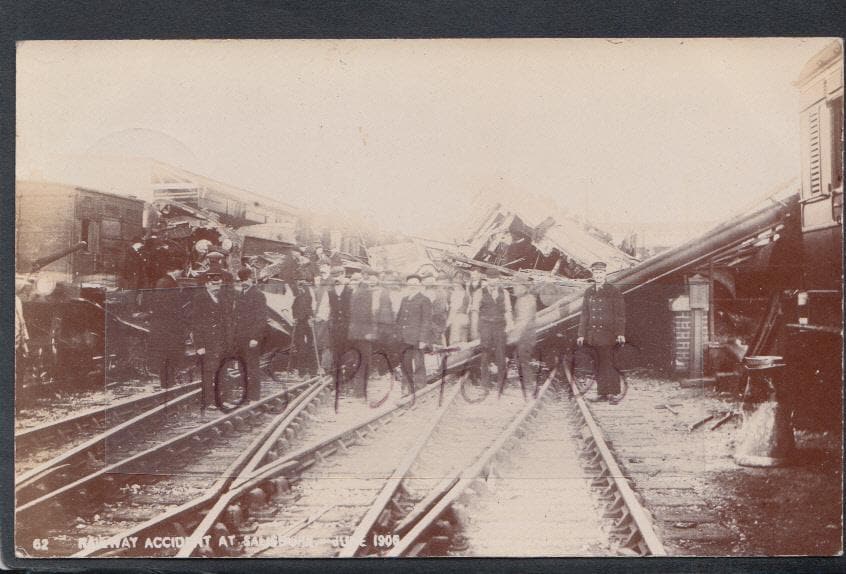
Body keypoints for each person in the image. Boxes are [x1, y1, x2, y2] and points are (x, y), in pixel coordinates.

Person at [577, 261, 626, 402]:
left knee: (609, 362)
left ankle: (613, 392)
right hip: (593, 335)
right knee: (598, 363)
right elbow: (585, 314)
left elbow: (620, 315)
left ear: (605, 274)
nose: (598, 275)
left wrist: (620, 333)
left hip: (609, 334)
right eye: (596, 273)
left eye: (601, 273)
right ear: (593, 274)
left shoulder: (613, 291)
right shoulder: (589, 291)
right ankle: (602, 392)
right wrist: (581, 334)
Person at [192, 271, 236, 410]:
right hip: (208, 341)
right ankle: (209, 401)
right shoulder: (200, 298)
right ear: (206, 284)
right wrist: (199, 345)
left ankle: (223, 400)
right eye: (213, 284)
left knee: (223, 370)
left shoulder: (222, 298)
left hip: (221, 341)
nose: (217, 286)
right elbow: (196, 323)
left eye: (219, 284)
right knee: (209, 372)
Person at [147, 255, 189, 389]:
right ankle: (168, 384)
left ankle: (167, 383)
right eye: (180, 271)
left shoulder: (162, 282)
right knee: (169, 355)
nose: (181, 273)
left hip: (163, 326)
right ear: (175, 270)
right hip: (168, 327)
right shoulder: (168, 283)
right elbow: (171, 306)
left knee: (166, 356)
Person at [234, 268, 268, 401]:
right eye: (241, 280)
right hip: (240, 337)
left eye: (245, 280)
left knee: (252, 367)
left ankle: (254, 396)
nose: (243, 282)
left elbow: (261, 319)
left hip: (251, 338)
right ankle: (245, 395)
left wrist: (255, 337)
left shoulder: (258, 295)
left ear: (251, 279)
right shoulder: (240, 294)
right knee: (243, 367)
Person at [476, 270, 513, 388]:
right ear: (487, 279)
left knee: (500, 353)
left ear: (499, 279)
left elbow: (508, 310)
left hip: (499, 326)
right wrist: (477, 329)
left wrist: (510, 324)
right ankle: (485, 382)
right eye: (491, 278)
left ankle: (502, 382)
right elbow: (475, 311)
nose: (493, 280)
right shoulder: (479, 292)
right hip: (485, 325)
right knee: (485, 352)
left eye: (495, 278)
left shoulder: (505, 293)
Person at [396, 274, 432, 394]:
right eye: (410, 284)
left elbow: (426, 321)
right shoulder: (405, 299)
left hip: (417, 338)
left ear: (420, 285)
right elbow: (400, 318)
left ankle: (420, 386)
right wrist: (398, 334)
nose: (412, 286)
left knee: (418, 363)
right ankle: (407, 387)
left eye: (415, 284)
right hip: (404, 338)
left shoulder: (424, 300)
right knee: (405, 363)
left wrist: (423, 339)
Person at [347, 270, 378, 395]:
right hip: (353, 332)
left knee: (363, 360)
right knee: (355, 358)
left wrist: (370, 331)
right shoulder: (351, 292)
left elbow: (370, 313)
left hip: (363, 333)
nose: (354, 282)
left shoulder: (365, 292)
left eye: (357, 279)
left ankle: (360, 390)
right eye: (353, 279)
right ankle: (356, 388)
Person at [508, 276, 537, 392]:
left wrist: (513, 336)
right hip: (523, 334)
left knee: (523, 359)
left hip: (526, 335)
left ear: (524, 288)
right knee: (519, 358)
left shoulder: (527, 300)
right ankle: (526, 383)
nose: (514, 289)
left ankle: (529, 385)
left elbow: (523, 321)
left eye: (516, 286)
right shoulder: (522, 299)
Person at [328, 266, 352, 374]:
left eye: (338, 276)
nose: (336, 279)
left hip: (348, 324)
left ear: (343, 274)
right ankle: (336, 375)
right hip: (335, 325)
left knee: (348, 349)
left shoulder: (350, 289)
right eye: (334, 277)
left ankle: (349, 373)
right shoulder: (331, 291)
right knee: (336, 349)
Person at [423, 272, 449, 347]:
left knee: (435, 342)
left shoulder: (431, 292)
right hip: (441, 319)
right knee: (440, 339)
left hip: (434, 320)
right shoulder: (441, 291)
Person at [446, 274, 471, 345]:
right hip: (466, 319)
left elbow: (454, 309)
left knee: (454, 342)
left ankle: (454, 355)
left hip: (457, 319)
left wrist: (448, 322)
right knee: (463, 343)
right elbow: (468, 308)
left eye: (455, 284)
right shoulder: (467, 294)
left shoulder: (457, 293)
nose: (454, 286)